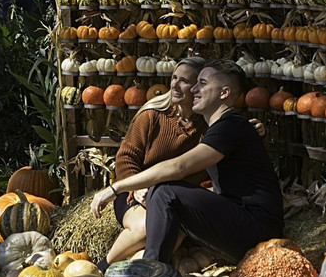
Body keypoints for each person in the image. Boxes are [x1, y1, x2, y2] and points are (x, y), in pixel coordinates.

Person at [92, 59, 283, 264]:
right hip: (239, 221)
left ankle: (148, 275)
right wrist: (133, 189)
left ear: (224, 93)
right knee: (163, 193)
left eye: (202, 83)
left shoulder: (229, 126)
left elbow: (179, 167)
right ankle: (140, 272)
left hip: (256, 229)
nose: (194, 88)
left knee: (165, 192)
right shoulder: (222, 126)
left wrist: (116, 188)